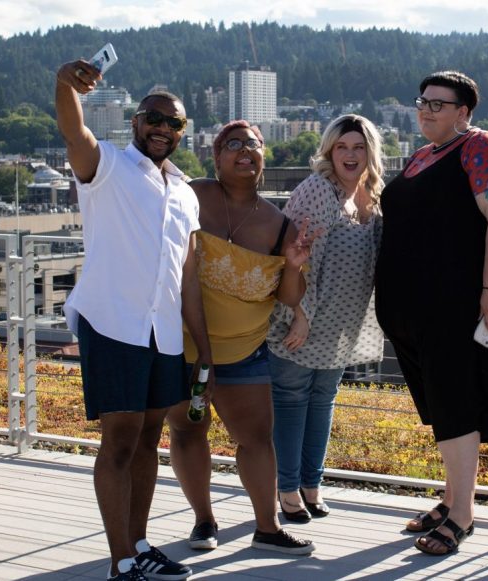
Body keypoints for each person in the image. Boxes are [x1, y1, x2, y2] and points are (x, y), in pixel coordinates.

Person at [56, 60, 212, 580]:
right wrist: (64, 85)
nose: (164, 128)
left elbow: (186, 277)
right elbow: (74, 131)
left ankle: (140, 544)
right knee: (119, 442)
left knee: (150, 442)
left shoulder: (187, 194)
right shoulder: (107, 169)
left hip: (163, 332)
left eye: (175, 123)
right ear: (135, 122)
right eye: (154, 118)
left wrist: (203, 349)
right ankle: (121, 561)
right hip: (113, 325)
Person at [375, 71, 488, 556]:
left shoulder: (480, 146)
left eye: (439, 104)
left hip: (457, 303)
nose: (426, 110)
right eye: (423, 101)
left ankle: (463, 513)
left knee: (456, 401)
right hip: (415, 309)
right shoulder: (422, 156)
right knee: (441, 404)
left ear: (464, 112)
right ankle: (451, 497)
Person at [166, 120, 315, 555]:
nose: (244, 150)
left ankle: (267, 527)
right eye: (233, 144)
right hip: (181, 346)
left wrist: (293, 265)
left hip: (244, 351)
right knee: (187, 431)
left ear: (264, 157)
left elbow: (289, 296)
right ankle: (203, 520)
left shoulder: (279, 223)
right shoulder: (191, 196)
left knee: (256, 438)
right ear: (216, 157)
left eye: (253, 143)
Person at [267, 114, 385, 522]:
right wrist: (299, 316)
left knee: (322, 404)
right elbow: (297, 259)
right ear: (329, 152)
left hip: (340, 328)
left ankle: (311, 486)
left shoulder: (371, 196)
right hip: (302, 321)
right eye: (341, 147)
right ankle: (286, 491)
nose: (350, 155)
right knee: (291, 402)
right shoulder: (319, 190)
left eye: (358, 147)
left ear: (371, 151)